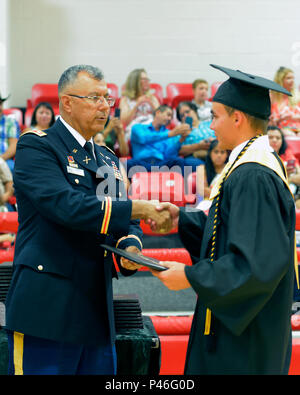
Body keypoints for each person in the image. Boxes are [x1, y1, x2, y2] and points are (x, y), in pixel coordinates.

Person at [4, 64, 172, 375]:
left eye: (107, 99)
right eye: (94, 98)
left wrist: (131, 249)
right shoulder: (37, 146)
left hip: (96, 311)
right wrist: (141, 208)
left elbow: (124, 220)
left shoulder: (107, 158)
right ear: (66, 102)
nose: (104, 107)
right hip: (47, 310)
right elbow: (68, 206)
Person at [150, 64, 297, 374]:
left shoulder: (253, 175)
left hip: (246, 339)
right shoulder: (250, 165)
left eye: (215, 116)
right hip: (246, 330)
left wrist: (191, 277)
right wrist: (183, 220)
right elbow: (232, 232)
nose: (211, 126)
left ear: (238, 118)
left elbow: (255, 263)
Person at [126, 104, 190, 177]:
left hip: (161, 164)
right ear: (158, 113)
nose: (169, 119)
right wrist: (170, 134)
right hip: (141, 164)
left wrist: (181, 139)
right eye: (168, 115)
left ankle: (180, 187)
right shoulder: (138, 127)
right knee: (128, 163)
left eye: (171, 117)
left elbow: (169, 154)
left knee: (179, 161)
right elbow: (143, 138)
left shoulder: (169, 133)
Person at [119, 68, 160, 141]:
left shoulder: (153, 98)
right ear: (135, 81)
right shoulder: (125, 100)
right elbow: (125, 122)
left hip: (152, 128)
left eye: (147, 79)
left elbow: (161, 118)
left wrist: (151, 104)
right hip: (135, 130)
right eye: (144, 79)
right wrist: (137, 105)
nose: (147, 81)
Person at [267, 125, 300, 208]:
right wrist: (288, 177)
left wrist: (290, 178)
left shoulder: (287, 153)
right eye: (270, 137)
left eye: (278, 138)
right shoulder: (262, 157)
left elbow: (298, 172)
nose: (274, 140)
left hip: (292, 190)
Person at [195, 139, 229, 209]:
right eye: (216, 152)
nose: (219, 155)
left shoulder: (230, 168)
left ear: (227, 155)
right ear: (210, 153)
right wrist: (222, 195)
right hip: (207, 202)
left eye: (222, 152)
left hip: (226, 203)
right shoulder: (201, 168)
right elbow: (202, 190)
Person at [270, 66, 300, 136]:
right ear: (280, 80)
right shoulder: (272, 96)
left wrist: (291, 117)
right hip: (280, 131)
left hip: (297, 129)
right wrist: (279, 119)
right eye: (288, 78)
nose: (292, 80)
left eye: (293, 78)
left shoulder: (297, 95)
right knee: (289, 134)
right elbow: (268, 120)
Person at [0, 92, 20, 172]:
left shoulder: (10, 122)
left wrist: (1, 159)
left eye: (0, 104)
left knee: (11, 169)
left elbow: (14, 145)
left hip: (5, 159)